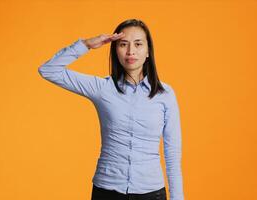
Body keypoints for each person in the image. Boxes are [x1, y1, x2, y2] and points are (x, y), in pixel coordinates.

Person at [38, 18, 184, 200]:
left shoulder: (165, 94)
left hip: (151, 192)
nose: (131, 51)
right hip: (107, 191)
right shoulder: (102, 88)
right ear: (115, 50)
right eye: (123, 44)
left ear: (148, 51)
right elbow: (49, 70)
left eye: (138, 44)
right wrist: (86, 45)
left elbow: (172, 154)